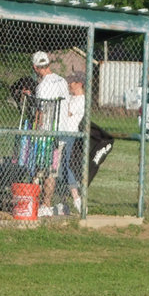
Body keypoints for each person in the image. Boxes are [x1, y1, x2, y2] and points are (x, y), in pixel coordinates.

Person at [30, 51, 68, 214]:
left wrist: (36, 131)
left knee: (40, 169)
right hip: (61, 131)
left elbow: (41, 112)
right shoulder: (62, 81)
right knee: (53, 169)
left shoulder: (42, 85)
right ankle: (46, 204)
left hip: (46, 133)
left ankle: (35, 201)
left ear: (35, 67)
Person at [59, 72, 86, 215]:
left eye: (73, 83)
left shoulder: (81, 100)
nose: (70, 85)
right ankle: (63, 202)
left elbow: (66, 113)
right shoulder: (70, 97)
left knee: (67, 167)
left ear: (80, 84)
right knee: (60, 170)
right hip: (60, 134)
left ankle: (77, 199)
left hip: (70, 135)